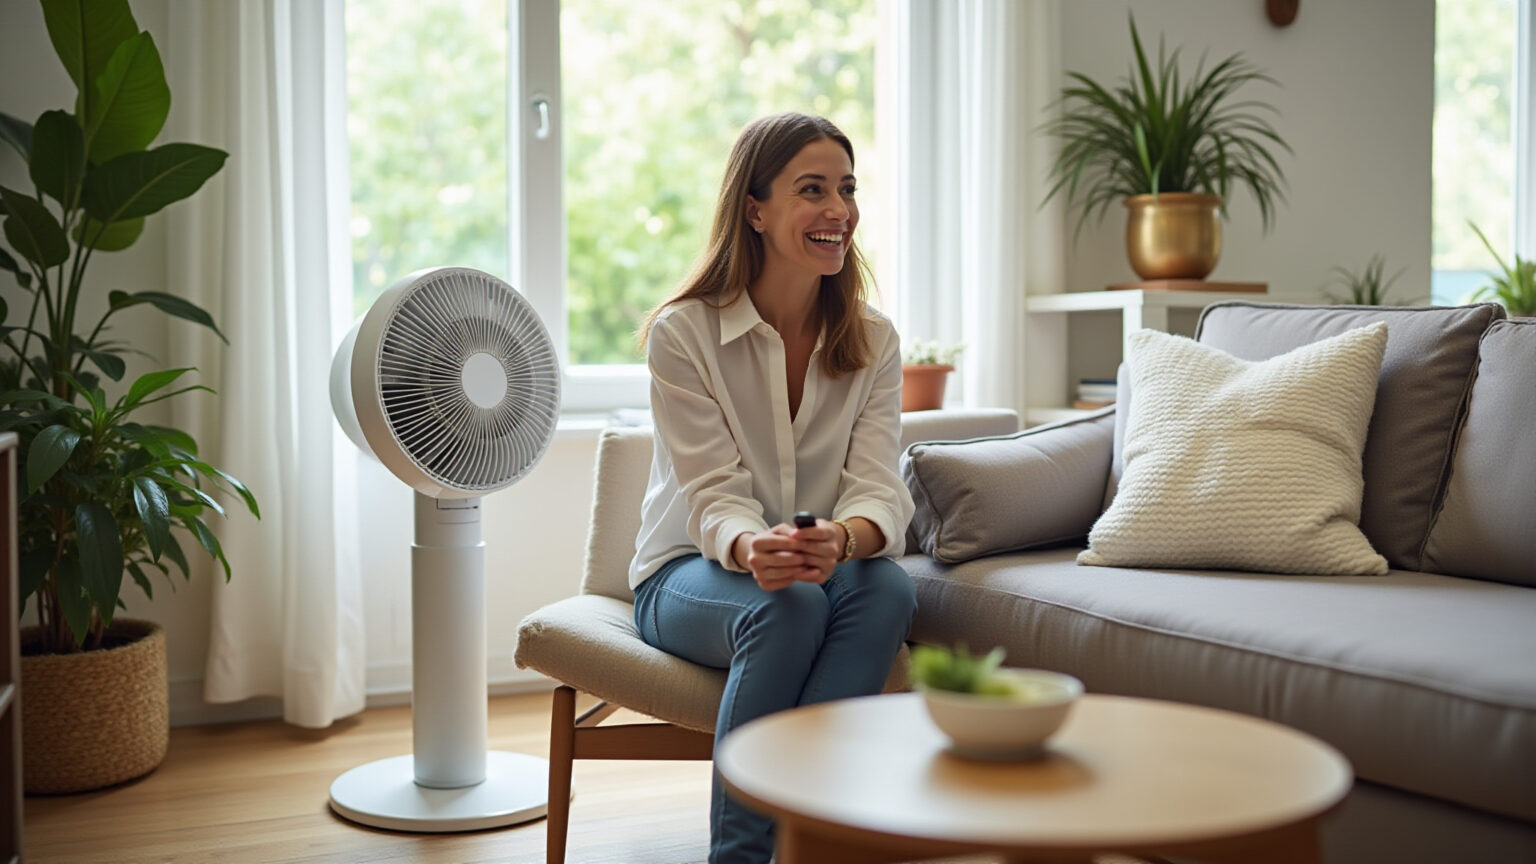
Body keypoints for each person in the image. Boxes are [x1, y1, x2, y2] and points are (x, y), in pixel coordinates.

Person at [630, 112, 917, 864]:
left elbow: (878, 484)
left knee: (886, 590)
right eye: (812, 189)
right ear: (755, 209)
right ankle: (743, 856)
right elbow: (711, 497)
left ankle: (814, 840)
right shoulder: (684, 334)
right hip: (685, 573)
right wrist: (754, 546)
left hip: (821, 566)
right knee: (789, 608)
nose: (839, 211)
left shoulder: (875, 340)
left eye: (847, 190)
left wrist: (845, 540)